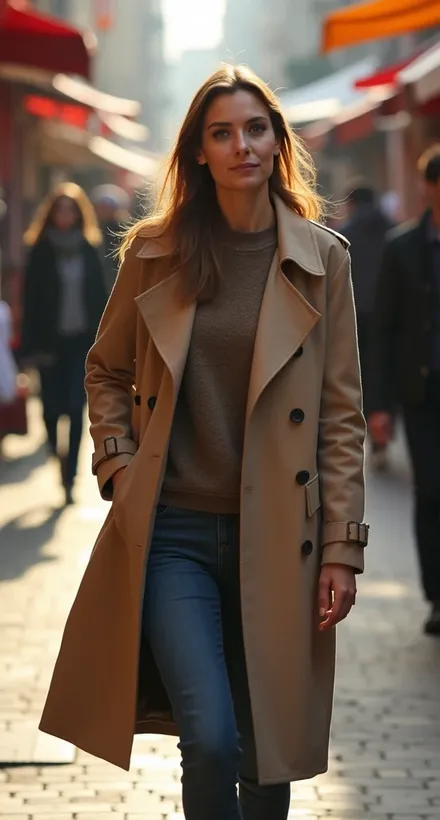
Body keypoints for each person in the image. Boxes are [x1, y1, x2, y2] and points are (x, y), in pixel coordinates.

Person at [39, 65, 369, 819]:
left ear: (277, 143)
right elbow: (105, 369)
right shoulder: (156, 251)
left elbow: (342, 416)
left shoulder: (326, 259)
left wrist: (343, 547)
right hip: (174, 534)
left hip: (280, 536)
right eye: (221, 133)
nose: (241, 146)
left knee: (265, 748)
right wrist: (119, 465)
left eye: (255, 129)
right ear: (198, 152)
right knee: (211, 738)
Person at [369, 144, 440, 636]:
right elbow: (383, 330)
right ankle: (439, 596)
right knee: (430, 492)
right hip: (424, 394)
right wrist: (380, 405)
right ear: (430, 189)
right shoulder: (401, 249)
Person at [22, 182, 107, 504]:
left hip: (80, 344)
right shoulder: (40, 249)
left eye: (71, 210)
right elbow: (29, 301)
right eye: (60, 209)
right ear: (51, 213)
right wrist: (28, 345)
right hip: (48, 343)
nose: (65, 215)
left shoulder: (88, 248)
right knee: (50, 408)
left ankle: (69, 477)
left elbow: (100, 296)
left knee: (74, 407)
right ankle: (52, 449)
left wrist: (104, 340)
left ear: (78, 214)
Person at [342, 184, 393, 467]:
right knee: (386, 374)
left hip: (358, 315)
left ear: (352, 203)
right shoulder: (394, 231)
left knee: (363, 377)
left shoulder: (345, 235)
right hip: (389, 316)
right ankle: (383, 432)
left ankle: (373, 434)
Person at [91, 184, 131, 294]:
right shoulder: (91, 229)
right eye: (102, 206)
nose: (104, 210)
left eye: (108, 206)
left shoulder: (125, 232)